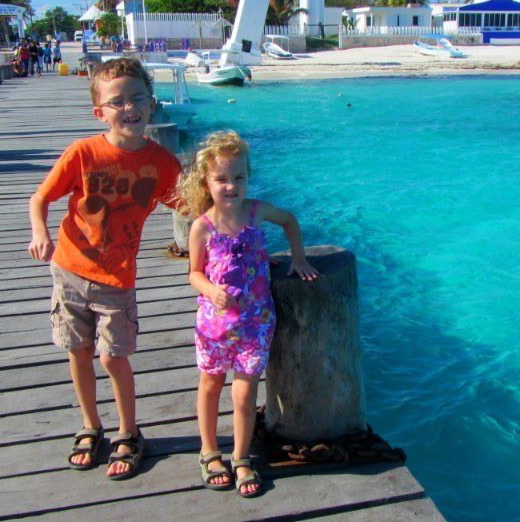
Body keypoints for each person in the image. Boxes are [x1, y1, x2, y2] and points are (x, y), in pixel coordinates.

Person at [27, 57, 182, 480]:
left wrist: (236, 220)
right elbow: (40, 199)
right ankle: (91, 425)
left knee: (113, 358)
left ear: (151, 104)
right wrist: (40, 233)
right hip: (70, 271)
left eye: (137, 98)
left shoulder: (163, 163)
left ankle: (129, 431)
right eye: (117, 101)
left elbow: (193, 207)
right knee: (77, 352)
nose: (129, 106)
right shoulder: (82, 153)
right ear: (100, 112)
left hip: (117, 281)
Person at [176, 130, 318, 496]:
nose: (231, 186)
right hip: (215, 326)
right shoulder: (201, 227)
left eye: (238, 177)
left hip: (255, 324)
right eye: (221, 179)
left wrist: (297, 256)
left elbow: (289, 221)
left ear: (248, 178)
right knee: (210, 384)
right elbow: (194, 272)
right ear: (206, 182)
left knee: (244, 394)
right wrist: (210, 289)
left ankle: (240, 456)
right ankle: (209, 450)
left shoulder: (257, 212)